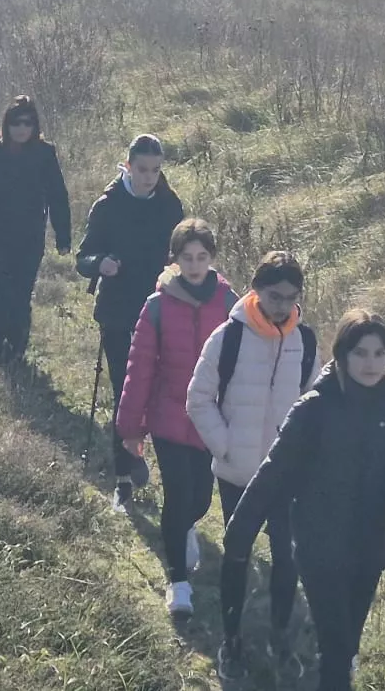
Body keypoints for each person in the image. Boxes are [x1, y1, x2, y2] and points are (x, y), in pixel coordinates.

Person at [225, 310, 385, 691]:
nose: (370, 363)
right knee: (337, 649)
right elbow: (276, 472)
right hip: (319, 547)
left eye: (379, 354)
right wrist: (241, 528)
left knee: (346, 642)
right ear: (340, 356)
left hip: (370, 547)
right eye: (360, 353)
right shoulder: (313, 409)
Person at [187, 252, 316, 674]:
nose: (282, 306)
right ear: (256, 290)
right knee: (237, 556)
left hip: (284, 478)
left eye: (290, 298)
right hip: (238, 473)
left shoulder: (306, 341)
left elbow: (315, 406)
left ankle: (283, 643)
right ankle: (232, 644)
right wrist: (225, 447)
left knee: (287, 559)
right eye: (275, 296)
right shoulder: (230, 337)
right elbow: (199, 399)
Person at [115, 220, 238, 621]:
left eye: (202, 257)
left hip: (210, 420)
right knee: (177, 495)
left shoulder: (228, 302)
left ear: (212, 258)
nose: (195, 264)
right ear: (175, 259)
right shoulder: (156, 306)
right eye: (187, 257)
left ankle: (184, 527)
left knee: (201, 497)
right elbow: (138, 369)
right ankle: (178, 583)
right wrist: (131, 428)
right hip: (168, 417)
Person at [76, 134, 185, 508]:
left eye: (156, 170)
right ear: (128, 166)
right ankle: (123, 475)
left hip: (160, 311)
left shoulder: (171, 207)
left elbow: (183, 255)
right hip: (118, 313)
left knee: (157, 390)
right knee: (126, 391)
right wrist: (100, 263)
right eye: (142, 170)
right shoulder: (108, 205)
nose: (149, 177)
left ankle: (142, 456)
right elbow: (83, 257)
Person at [0, 97, 73, 366]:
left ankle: (16, 347)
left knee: (21, 294)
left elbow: (58, 195)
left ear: (34, 125)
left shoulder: (44, 154)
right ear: (7, 123)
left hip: (29, 237)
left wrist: (63, 236)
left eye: (27, 123)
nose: (22, 129)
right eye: (16, 123)